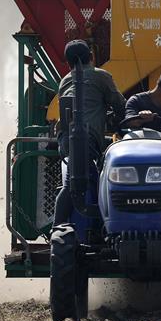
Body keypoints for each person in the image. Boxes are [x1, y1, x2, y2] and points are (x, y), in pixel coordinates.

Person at [54, 39, 126, 225]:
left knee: (82, 176)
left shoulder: (65, 80)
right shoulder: (101, 76)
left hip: (64, 138)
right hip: (86, 139)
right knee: (74, 183)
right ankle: (59, 227)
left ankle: (90, 226)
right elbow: (120, 105)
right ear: (92, 57)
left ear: (68, 63)